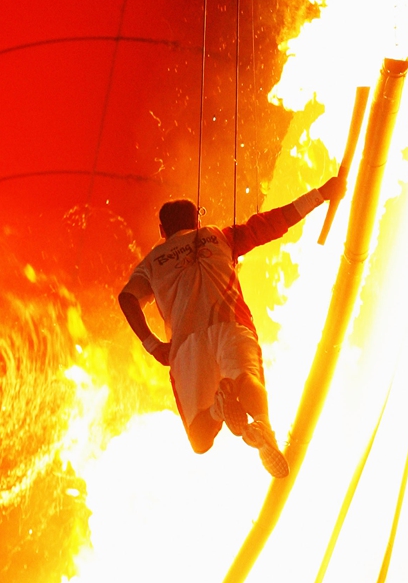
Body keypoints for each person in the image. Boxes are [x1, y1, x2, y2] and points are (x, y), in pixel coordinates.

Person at [118, 177, 345, 478]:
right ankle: (262, 425)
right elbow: (271, 223)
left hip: (186, 348)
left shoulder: (151, 262)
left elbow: (127, 298)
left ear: (162, 231)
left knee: (200, 441)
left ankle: (218, 408)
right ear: (197, 220)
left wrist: (152, 344)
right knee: (246, 378)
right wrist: (321, 194)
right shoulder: (219, 236)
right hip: (231, 325)